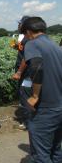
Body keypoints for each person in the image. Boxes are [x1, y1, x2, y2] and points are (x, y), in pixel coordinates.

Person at [21, 16, 62, 163]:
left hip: (45, 109)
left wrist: (35, 95)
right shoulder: (56, 46)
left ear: (29, 32)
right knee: (56, 150)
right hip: (59, 106)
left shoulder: (33, 44)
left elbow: (37, 66)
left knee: (40, 155)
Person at [11, 16, 32, 130]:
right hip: (27, 73)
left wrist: (19, 72)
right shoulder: (26, 39)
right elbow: (23, 50)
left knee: (25, 96)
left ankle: (27, 123)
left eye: (20, 23)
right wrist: (16, 46)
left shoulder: (27, 39)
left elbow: (26, 57)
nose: (18, 25)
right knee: (26, 95)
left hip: (26, 74)